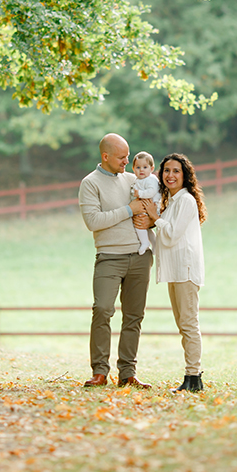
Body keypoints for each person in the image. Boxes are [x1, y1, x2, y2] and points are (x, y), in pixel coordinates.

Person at [77, 133, 153, 389]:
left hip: (140, 257)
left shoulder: (134, 179)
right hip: (109, 257)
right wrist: (129, 210)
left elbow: (151, 207)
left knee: (134, 316)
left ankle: (127, 373)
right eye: (122, 157)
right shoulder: (90, 183)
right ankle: (99, 371)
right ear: (105, 156)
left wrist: (150, 220)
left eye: (128, 155)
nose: (127, 161)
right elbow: (93, 222)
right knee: (102, 309)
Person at [143, 153, 206, 393]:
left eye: (176, 171)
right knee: (183, 325)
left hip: (186, 271)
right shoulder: (172, 202)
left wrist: (155, 218)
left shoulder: (186, 200)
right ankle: (191, 377)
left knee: (189, 324)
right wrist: (154, 217)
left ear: (185, 175)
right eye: (166, 171)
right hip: (176, 271)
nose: (170, 175)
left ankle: (194, 377)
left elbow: (170, 235)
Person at [130, 151, 161, 256]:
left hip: (153, 206)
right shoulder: (138, 180)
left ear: (152, 169)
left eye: (145, 167)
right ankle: (154, 242)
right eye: (138, 168)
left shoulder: (151, 179)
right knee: (146, 228)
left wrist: (139, 193)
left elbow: (151, 192)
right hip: (146, 206)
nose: (141, 170)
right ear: (133, 169)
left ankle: (145, 243)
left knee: (139, 223)